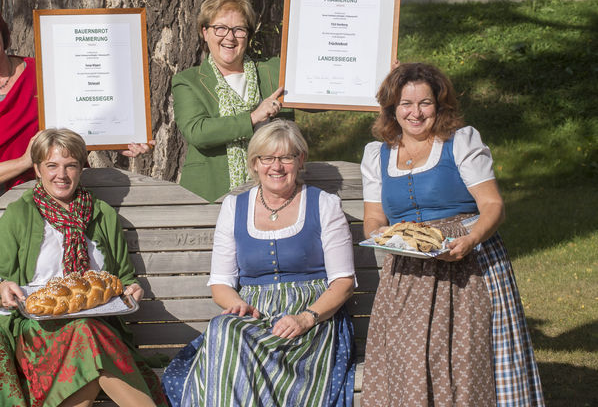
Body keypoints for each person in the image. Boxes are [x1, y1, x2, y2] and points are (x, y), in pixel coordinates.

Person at [360, 63, 544, 405]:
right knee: (407, 359)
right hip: (407, 272)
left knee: (464, 360)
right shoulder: (376, 154)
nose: (415, 113)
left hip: (466, 263)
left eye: (425, 103)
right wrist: (384, 236)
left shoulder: (460, 142)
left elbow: (493, 206)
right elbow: (373, 218)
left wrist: (471, 240)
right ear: (391, 109)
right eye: (405, 104)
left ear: (440, 105)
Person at [162, 119, 357, 406]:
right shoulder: (234, 207)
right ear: (254, 163)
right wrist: (236, 304)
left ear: (300, 160)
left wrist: (306, 318)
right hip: (253, 319)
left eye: (286, 157)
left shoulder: (323, 204)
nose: (276, 167)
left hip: (311, 324)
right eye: (267, 158)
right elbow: (220, 283)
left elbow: (343, 282)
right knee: (224, 329)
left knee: (226, 342)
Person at [0, 128, 167, 407]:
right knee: (86, 334)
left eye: (70, 166)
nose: (61, 175)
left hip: (100, 326)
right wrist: (1, 289)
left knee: (87, 333)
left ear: (81, 168)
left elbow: (124, 278)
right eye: (51, 166)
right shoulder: (19, 216)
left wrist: (131, 289)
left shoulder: (102, 215)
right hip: (38, 333)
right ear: (38, 170)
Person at [0, 0, 151, 206]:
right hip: (10, 207)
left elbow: (85, 115)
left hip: (69, 196)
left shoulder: (46, 72)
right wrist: (25, 161)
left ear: (2, 33)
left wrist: (118, 137)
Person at [172, 0, 293, 202]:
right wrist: (253, 117)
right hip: (210, 197)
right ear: (205, 32)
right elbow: (197, 131)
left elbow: (316, 93)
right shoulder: (188, 81)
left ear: (248, 35)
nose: (229, 37)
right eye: (220, 28)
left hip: (276, 194)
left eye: (239, 29)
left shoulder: (273, 71)